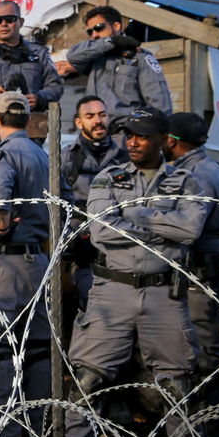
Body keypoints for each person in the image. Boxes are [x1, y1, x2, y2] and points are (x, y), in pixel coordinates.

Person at [64, 108, 208, 437]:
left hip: (164, 297)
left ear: (164, 139)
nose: (132, 142)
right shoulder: (109, 177)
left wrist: (132, 217)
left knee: (178, 386)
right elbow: (100, 231)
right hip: (112, 292)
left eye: (142, 135)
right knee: (87, 381)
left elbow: (190, 230)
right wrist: (160, 225)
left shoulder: (186, 181)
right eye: (128, 135)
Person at [0, 91, 53, 437]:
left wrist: (0, 229)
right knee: (38, 351)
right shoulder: (41, 154)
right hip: (39, 263)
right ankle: (41, 436)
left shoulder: (3, 153)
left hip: (8, 266)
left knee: (2, 348)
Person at [163, 112, 219, 405]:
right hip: (215, 260)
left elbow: (189, 227)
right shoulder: (212, 166)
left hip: (204, 266)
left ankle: (210, 426)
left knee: (202, 349)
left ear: (171, 140)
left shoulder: (196, 175)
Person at [61, 95, 126, 308]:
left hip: (119, 251)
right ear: (79, 122)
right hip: (82, 251)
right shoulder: (67, 159)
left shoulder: (125, 158)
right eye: (90, 116)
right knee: (91, 306)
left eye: (102, 114)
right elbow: (56, 206)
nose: (97, 120)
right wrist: (72, 242)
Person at [59, 5, 172, 116]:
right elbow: (73, 56)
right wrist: (112, 41)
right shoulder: (95, 56)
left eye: (98, 27)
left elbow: (159, 102)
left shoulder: (140, 57)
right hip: (98, 127)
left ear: (116, 26)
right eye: (90, 32)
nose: (94, 35)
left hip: (126, 130)